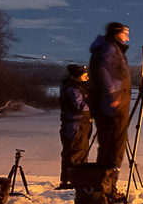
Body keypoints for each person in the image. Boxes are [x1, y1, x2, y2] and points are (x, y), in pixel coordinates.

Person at [87, 23, 132, 170]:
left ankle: (106, 187)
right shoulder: (109, 48)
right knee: (112, 147)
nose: (127, 38)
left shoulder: (111, 48)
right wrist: (112, 94)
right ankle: (105, 187)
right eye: (125, 34)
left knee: (111, 146)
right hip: (111, 108)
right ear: (117, 33)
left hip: (112, 105)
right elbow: (102, 70)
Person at [56, 63, 91, 189]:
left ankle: (78, 180)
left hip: (81, 124)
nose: (87, 78)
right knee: (73, 152)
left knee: (81, 152)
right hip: (75, 126)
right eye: (85, 75)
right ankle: (69, 181)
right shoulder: (72, 89)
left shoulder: (77, 87)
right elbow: (80, 107)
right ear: (78, 76)